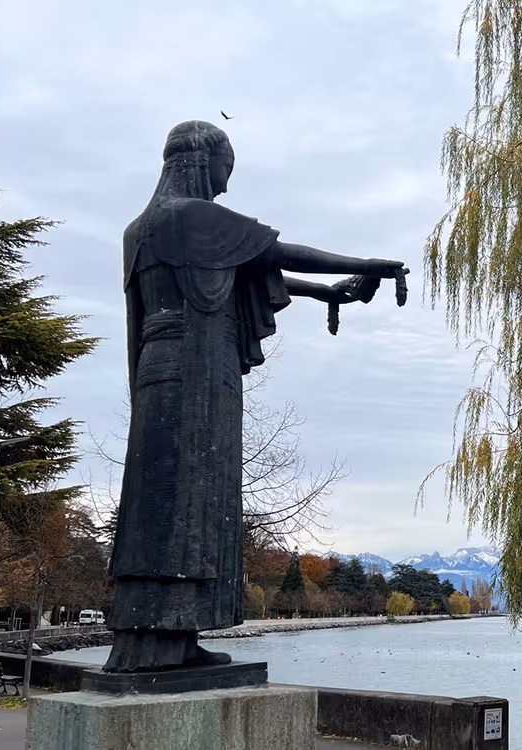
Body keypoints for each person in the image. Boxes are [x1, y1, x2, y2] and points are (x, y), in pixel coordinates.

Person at [103, 120, 407, 673]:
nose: (225, 184)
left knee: (166, 496)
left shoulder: (140, 228)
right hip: (197, 369)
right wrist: (364, 265)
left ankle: (166, 638)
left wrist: (323, 294)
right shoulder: (189, 216)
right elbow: (276, 251)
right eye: (225, 169)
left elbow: (243, 269)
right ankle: (159, 641)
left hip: (160, 368)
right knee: (192, 494)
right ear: (202, 160)